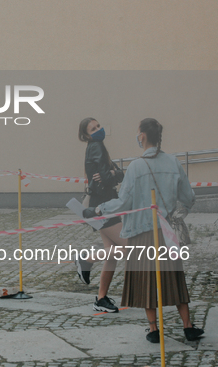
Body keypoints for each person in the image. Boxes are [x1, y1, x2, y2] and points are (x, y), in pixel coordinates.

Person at [84, 118, 204, 343]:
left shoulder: (136, 167)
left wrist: (98, 209)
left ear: (142, 136)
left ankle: (153, 329)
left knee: (146, 280)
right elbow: (189, 197)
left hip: (141, 233)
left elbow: (122, 203)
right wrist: (178, 215)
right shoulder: (173, 162)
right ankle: (188, 326)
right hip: (166, 233)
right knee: (175, 278)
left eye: (138, 133)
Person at [75, 118, 127, 313]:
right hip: (103, 207)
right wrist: (111, 173)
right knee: (128, 248)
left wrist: (112, 172)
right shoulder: (96, 145)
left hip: (104, 205)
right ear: (86, 135)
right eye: (93, 129)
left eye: (98, 126)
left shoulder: (95, 146)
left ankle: (101, 299)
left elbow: (119, 174)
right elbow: (109, 176)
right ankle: (86, 259)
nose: (98, 130)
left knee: (112, 255)